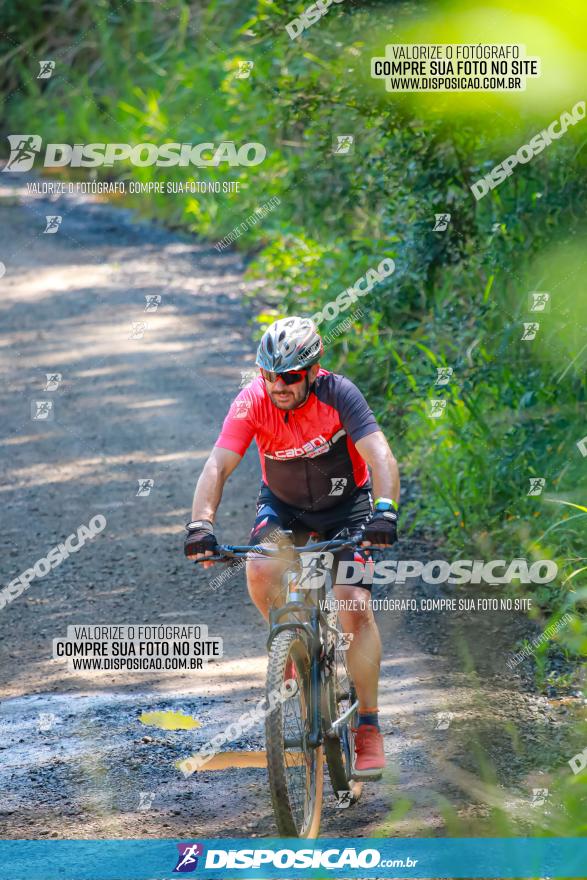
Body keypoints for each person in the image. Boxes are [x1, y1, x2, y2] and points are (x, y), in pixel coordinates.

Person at [184, 316, 400, 777]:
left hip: (349, 510)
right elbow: (217, 465)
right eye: (269, 375)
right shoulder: (252, 401)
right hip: (284, 510)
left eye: (288, 377)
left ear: (313, 370)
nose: (277, 385)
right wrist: (200, 524)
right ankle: (289, 648)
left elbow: (379, 453)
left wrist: (385, 511)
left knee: (353, 602)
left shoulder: (340, 394)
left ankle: (368, 725)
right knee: (261, 569)